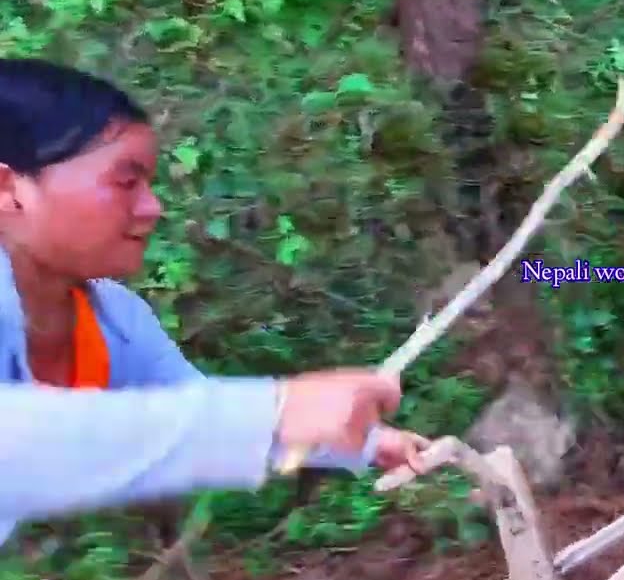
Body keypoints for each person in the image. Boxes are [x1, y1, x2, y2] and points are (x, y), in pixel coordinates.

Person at [0, 58, 432, 553]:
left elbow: (189, 401)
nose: (152, 207)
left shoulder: (115, 321)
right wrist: (275, 412)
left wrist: (368, 442)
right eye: (125, 182)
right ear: (9, 189)